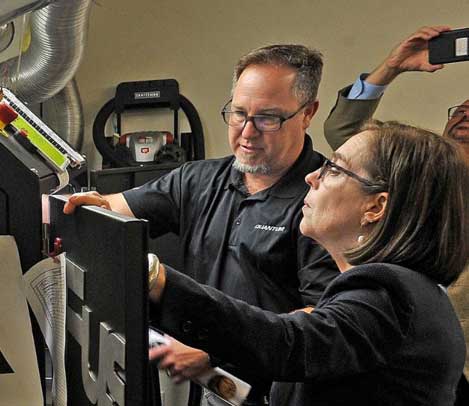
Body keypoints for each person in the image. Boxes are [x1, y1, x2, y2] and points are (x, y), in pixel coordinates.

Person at [64, 44, 339, 405]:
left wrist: (213, 352)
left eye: (268, 118)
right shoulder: (198, 180)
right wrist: (83, 212)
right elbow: (112, 213)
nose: (247, 132)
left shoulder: (322, 200)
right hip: (211, 391)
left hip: (275, 392)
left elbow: (320, 319)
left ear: (307, 114)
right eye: (238, 113)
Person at [149, 121, 469, 406]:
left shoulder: (390, 294)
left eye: (333, 169)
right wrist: (218, 379)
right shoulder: (392, 295)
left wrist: (157, 279)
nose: (311, 176)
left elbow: (289, 345)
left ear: (376, 205)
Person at [323, 25, 469, 404]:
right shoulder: (421, 176)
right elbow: (346, 134)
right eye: (460, 112)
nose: (464, 117)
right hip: (396, 356)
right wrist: (392, 67)